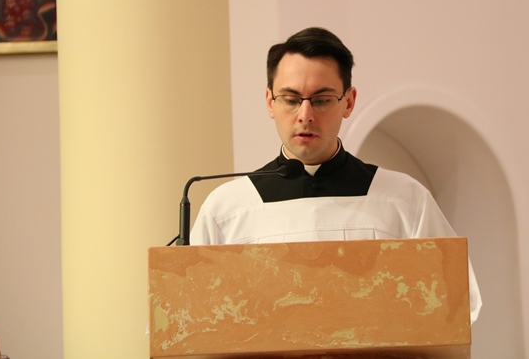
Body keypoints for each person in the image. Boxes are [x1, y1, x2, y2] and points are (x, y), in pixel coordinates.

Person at [190, 26, 482, 323]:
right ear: (270, 102)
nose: (305, 115)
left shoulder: (404, 200)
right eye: (291, 99)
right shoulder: (228, 208)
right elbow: (193, 315)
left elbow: (457, 307)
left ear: (349, 102)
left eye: (321, 100)